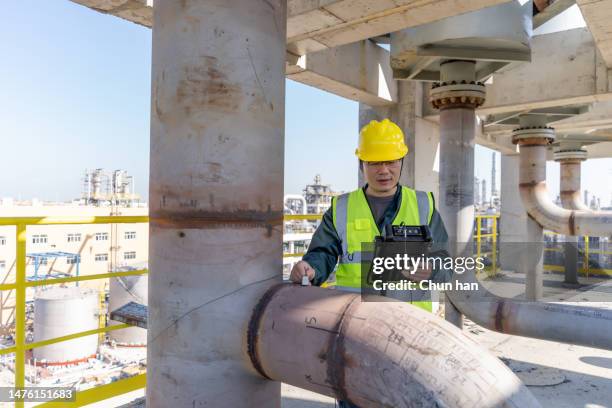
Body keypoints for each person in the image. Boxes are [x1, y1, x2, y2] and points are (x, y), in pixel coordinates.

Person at [289, 118, 451, 407]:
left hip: (411, 336)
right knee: (356, 398)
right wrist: (310, 268)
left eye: (390, 161)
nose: (383, 170)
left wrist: (432, 269)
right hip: (356, 334)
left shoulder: (424, 205)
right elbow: (323, 253)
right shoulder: (341, 209)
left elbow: (446, 265)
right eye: (374, 162)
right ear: (362, 163)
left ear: (402, 160)